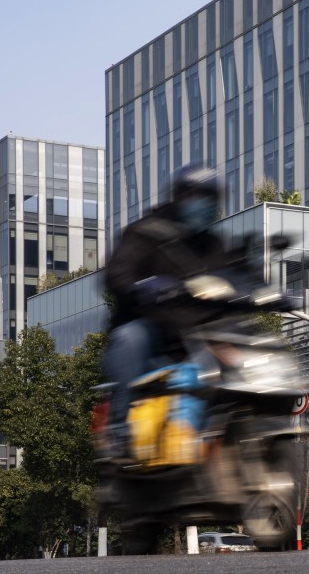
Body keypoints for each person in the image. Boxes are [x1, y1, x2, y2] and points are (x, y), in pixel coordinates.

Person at [101, 162, 235, 460]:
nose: (201, 203)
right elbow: (116, 273)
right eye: (194, 194)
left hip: (199, 336)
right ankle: (120, 434)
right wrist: (140, 286)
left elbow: (238, 278)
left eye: (209, 196)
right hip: (152, 334)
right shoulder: (145, 233)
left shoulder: (214, 245)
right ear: (177, 196)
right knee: (129, 336)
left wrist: (274, 294)